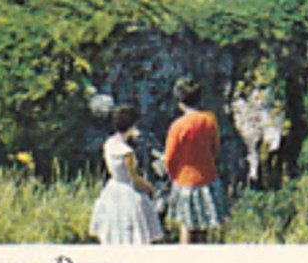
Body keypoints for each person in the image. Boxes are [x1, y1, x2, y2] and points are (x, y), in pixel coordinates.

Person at [89, 104, 165, 244]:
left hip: (113, 187)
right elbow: (134, 179)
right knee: (134, 232)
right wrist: (149, 188)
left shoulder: (109, 143)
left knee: (114, 231)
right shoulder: (127, 152)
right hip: (128, 191)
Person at [163, 76, 225, 244]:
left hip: (185, 181)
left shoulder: (178, 126)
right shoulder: (210, 120)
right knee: (203, 228)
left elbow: (169, 158)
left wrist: (173, 175)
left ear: (180, 102)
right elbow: (215, 148)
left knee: (187, 227)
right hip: (207, 179)